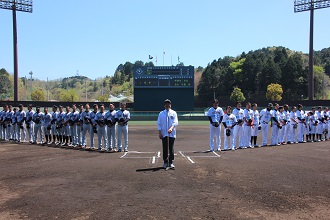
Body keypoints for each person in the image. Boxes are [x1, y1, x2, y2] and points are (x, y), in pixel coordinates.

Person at [157, 99, 178, 169]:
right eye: (166, 104)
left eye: (168, 104)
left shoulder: (173, 113)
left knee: (171, 148)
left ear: (170, 105)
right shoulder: (161, 113)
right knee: (165, 148)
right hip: (164, 134)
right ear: (164, 105)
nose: (167, 105)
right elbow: (159, 124)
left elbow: (175, 122)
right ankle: (165, 162)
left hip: (172, 134)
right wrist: (160, 133)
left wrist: (171, 128)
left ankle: (171, 162)